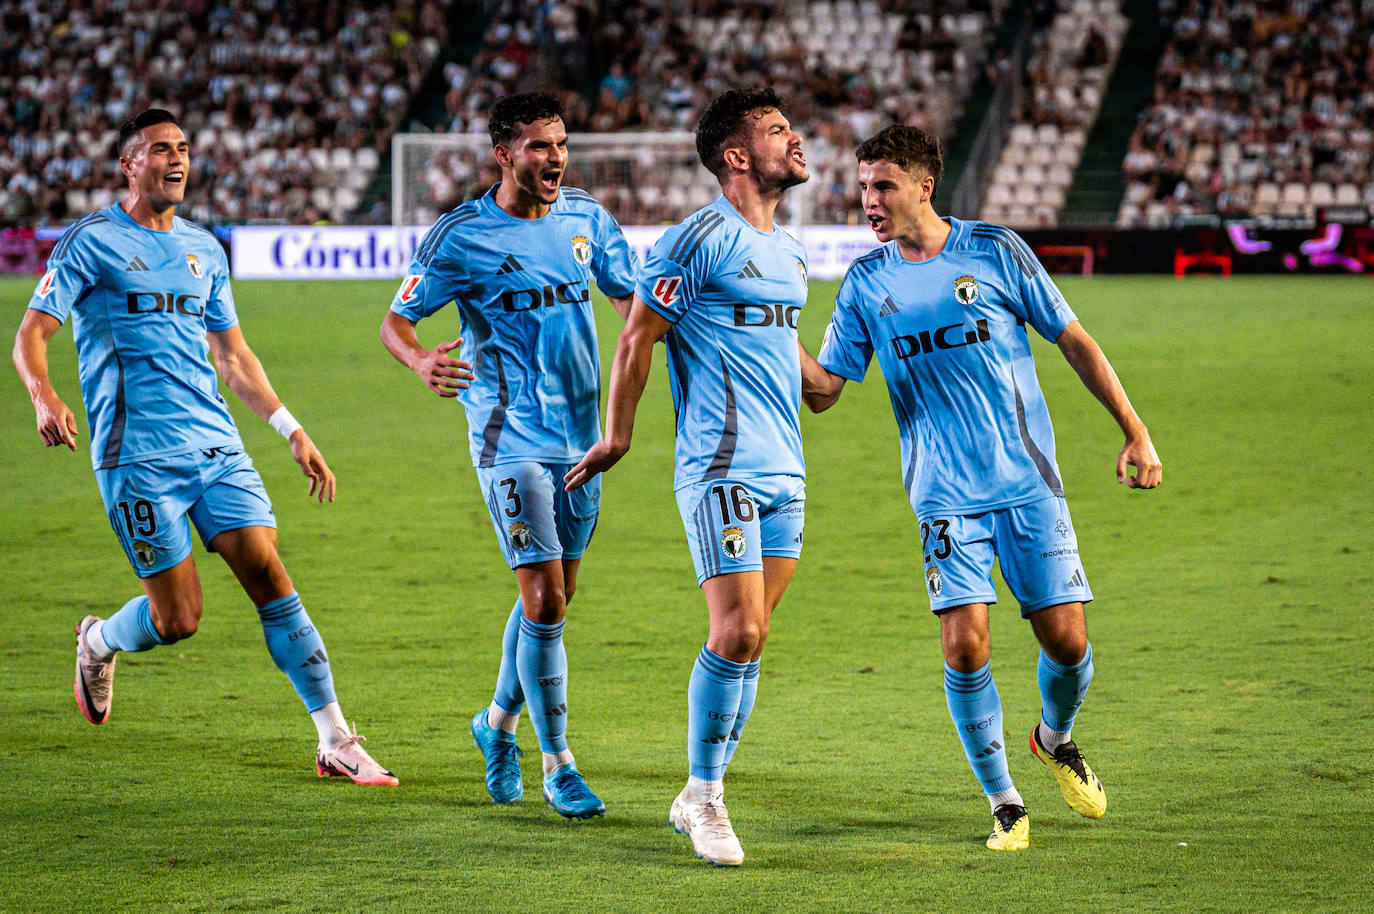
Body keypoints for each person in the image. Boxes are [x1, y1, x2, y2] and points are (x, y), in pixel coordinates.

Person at [799, 125, 1162, 851]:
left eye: (883, 186)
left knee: (1066, 641)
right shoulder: (867, 283)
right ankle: (1004, 803)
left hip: (1028, 484)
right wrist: (769, 329)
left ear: (924, 186)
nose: (868, 200)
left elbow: (1075, 341)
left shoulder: (994, 251)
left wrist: (1135, 429)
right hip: (942, 496)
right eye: (862, 185)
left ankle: (1054, 739)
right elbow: (826, 391)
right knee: (965, 647)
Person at [12, 108, 397, 786]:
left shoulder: (203, 249)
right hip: (137, 458)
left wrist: (292, 430)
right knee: (179, 618)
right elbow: (32, 334)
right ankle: (99, 641)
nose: (177, 159)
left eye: (183, 148)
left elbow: (234, 358)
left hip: (216, 446)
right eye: (160, 149)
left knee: (270, 574)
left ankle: (336, 738)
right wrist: (45, 394)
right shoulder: (89, 242)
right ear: (128, 165)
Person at [564, 87, 810, 866]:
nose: (795, 139)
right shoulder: (696, 239)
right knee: (735, 630)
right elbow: (638, 336)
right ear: (736, 156)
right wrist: (618, 436)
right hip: (720, 465)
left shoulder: (792, 250)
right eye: (777, 131)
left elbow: (792, 357)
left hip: (787, 469)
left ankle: (701, 788)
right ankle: (703, 796)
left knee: (755, 637)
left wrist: (839, 372)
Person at [380, 91, 637, 819]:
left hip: (582, 437)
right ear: (504, 154)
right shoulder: (460, 236)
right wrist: (419, 361)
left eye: (560, 145)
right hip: (506, 435)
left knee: (556, 598)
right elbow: (396, 322)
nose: (555, 158)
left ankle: (494, 724)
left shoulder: (587, 220)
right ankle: (559, 763)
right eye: (539, 147)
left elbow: (631, 307)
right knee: (543, 597)